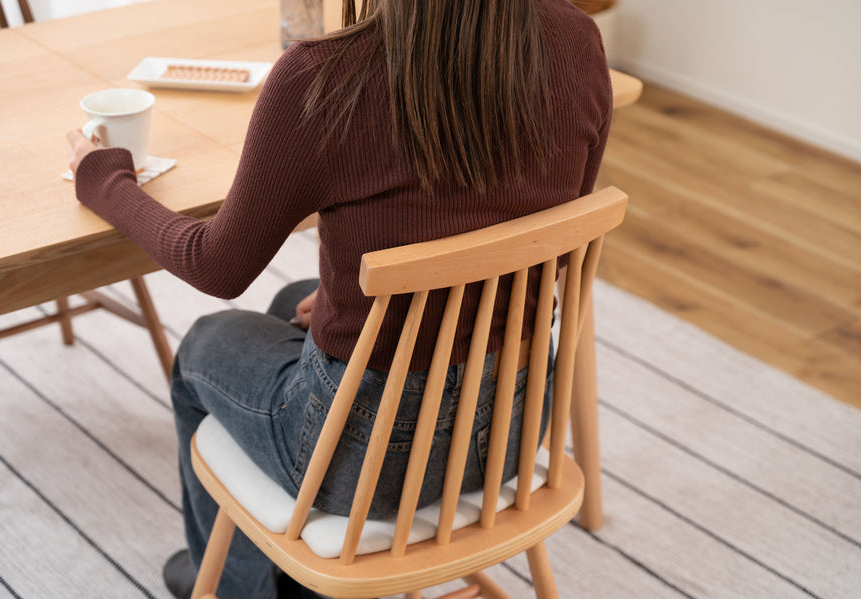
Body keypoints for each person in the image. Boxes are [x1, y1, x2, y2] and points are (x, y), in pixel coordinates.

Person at [67, 0, 611, 597]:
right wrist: (338, 295)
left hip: (369, 468)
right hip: (514, 430)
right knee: (295, 302)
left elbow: (216, 265)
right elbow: (544, 243)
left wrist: (105, 180)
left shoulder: (323, 78)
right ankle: (285, 579)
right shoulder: (575, 41)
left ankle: (224, 584)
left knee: (203, 347)